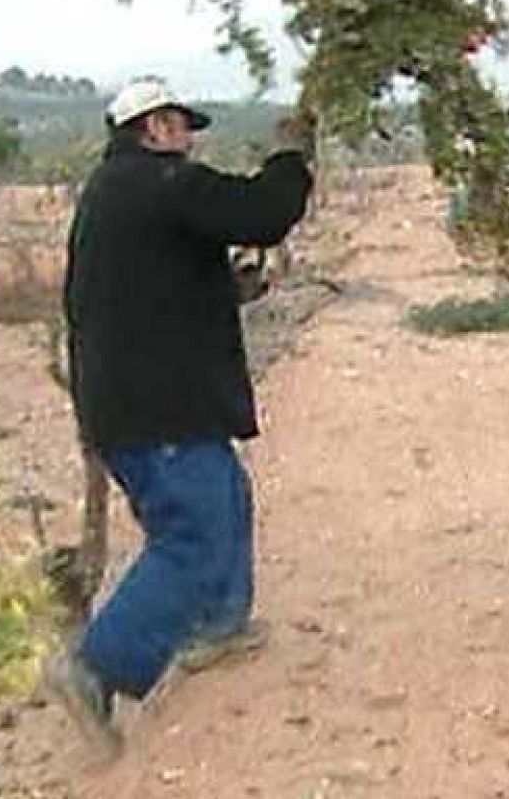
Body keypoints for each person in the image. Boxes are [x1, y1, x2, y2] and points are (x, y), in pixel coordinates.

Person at [48, 78, 314, 756]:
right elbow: (262, 212)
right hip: (155, 408)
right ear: (155, 126)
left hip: (140, 400)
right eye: (181, 126)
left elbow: (152, 281)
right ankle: (95, 667)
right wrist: (292, 156)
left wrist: (231, 289)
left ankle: (219, 626)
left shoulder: (116, 193)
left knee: (224, 493)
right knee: (191, 535)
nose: (191, 140)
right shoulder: (163, 183)